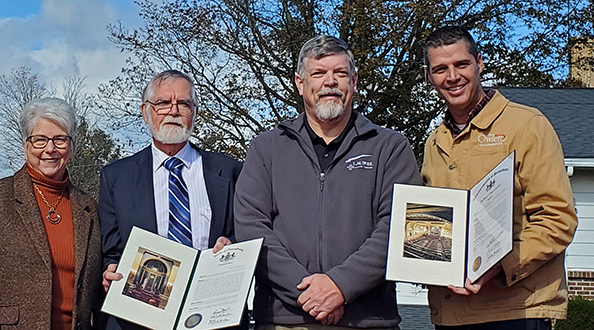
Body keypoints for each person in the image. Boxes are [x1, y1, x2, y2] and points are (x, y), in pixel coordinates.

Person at [234, 35, 421, 329]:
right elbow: (251, 228)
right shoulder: (266, 149)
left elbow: (399, 228)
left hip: (369, 321)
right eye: (318, 74)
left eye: (340, 74)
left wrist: (341, 286)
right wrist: (308, 294)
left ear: (354, 82)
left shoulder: (390, 147)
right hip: (285, 321)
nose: (329, 82)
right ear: (300, 83)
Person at [421, 25, 578, 330]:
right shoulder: (433, 142)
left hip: (515, 312)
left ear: (479, 63)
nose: (452, 76)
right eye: (440, 69)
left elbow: (558, 219)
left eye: (461, 64)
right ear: (430, 77)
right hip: (450, 314)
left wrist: (498, 266)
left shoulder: (527, 124)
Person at [98, 70, 243, 329]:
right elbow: (111, 252)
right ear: (146, 111)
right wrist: (110, 270)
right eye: (163, 103)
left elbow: (245, 235)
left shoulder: (230, 171)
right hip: (139, 318)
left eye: (184, 103)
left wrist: (232, 244)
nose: (174, 111)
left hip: (210, 316)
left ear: (194, 113)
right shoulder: (115, 178)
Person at [0, 98, 102, 330]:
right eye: (40, 140)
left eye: (60, 139)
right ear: (26, 145)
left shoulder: (88, 207)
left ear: (71, 146)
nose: (50, 148)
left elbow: (95, 290)